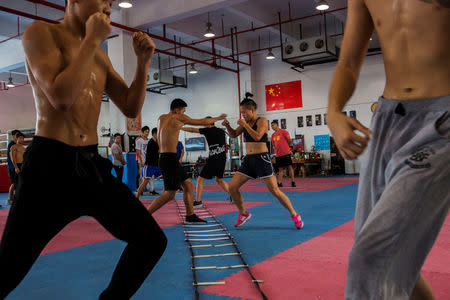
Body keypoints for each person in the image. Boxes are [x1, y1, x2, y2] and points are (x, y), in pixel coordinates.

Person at [0, 1, 168, 299]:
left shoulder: (101, 59)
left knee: (151, 241)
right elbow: (61, 97)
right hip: (49, 167)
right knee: (6, 271)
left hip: (91, 165)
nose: (107, 5)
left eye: (110, 2)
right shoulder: (41, 34)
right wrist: (91, 39)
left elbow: (130, 106)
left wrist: (142, 63)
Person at [326, 1, 449, 299]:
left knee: (373, 257)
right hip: (387, 120)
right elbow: (348, 62)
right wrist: (333, 112)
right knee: (386, 255)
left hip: (442, 120)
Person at [222, 93, 304, 229]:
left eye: (244, 112)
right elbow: (234, 134)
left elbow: (258, 136)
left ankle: (294, 214)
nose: (243, 115)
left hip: (261, 159)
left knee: (275, 190)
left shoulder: (262, 121)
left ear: (252, 110)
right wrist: (228, 126)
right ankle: (243, 213)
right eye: (241, 113)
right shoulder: (245, 123)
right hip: (249, 160)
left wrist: (244, 125)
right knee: (232, 187)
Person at [146, 98, 227, 223]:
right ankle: (143, 216)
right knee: (169, 193)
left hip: (165, 158)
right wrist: (218, 117)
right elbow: (202, 121)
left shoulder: (161, 118)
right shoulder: (177, 117)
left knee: (188, 184)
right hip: (169, 158)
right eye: (183, 110)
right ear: (177, 110)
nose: (184, 113)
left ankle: (190, 215)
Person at [182, 117, 231, 208]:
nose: (203, 123)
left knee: (200, 179)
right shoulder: (221, 131)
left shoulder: (207, 130)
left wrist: (181, 128)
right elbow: (224, 144)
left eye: (205, 122)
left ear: (209, 123)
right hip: (222, 159)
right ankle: (233, 195)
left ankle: (198, 201)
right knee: (219, 179)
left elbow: (192, 130)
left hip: (213, 159)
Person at [136, 128, 161, 198]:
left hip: (155, 165)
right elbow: (159, 151)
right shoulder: (151, 142)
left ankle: (167, 191)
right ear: (155, 134)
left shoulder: (154, 141)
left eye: (148, 132)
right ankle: (137, 195)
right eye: (158, 134)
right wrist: (141, 161)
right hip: (149, 165)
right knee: (145, 181)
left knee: (164, 175)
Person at [270, 120, 296, 187]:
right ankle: (280, 183)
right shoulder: (273, 135)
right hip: (278, 155)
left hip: (286, 153)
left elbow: (289, 140)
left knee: (290, 167)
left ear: (276, 125)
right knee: (280, 169)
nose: (272, 127)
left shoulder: (284, 132)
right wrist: (275, 151)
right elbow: (273, 145)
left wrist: (289, 147)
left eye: (273, 125)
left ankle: (293, 182)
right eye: (271, 126)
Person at [9, 132, 26, 205]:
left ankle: (20, 198)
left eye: (23, 138)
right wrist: (16, 167)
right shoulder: (13, 147)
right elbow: (13, 158)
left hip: (23, 166)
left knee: (21, 183)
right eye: (20, 138)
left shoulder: (23, 148)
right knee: (16, 183)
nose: (22, 139)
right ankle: (13, 199)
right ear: (17, 138)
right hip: (17, 166)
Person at [6, 130, 20, 205]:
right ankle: (9, 199)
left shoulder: (16, 144)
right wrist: (15, 167)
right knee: (13, 183)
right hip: (12, 167)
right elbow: (12, 158)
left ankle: (15, 198)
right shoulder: (11, 144)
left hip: (16, 167)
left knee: (16, 183)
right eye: (17, 135)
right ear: (14, 136)